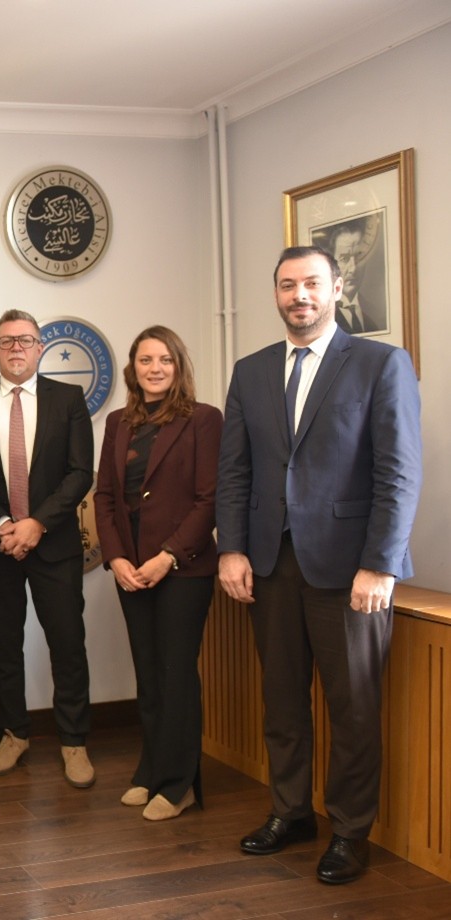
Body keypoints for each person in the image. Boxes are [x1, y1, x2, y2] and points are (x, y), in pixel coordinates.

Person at [218, 246, 421, 884]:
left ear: (336, 288)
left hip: (351, 570)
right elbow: (235, 470)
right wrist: (232, 548)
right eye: (287, 285)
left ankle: (351, 833)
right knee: (281, 702)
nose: (298, 295)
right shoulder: (251, 371)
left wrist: (380, 564)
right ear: (276, 294)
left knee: (353, 709)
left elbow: (398, 472)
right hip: (270, 565)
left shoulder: (381, 363)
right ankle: (291, 812)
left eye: (311, 283)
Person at [0, 310, 95, 788]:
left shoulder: (68, 399)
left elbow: (80, 473)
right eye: (7, 341)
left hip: (54, 543)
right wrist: (4, 524)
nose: (16, 348)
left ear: (40, 348)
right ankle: (14, 733)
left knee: (67, 644)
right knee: (3, 646)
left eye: (25, 340)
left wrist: (37, 523)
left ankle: (74, 741)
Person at [94, 327, 222, 821]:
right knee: (148, 674)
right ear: (133, 368)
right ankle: (150, 771)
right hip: (131, 569)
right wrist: (117, 559)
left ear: (179, 366)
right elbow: (106, 497)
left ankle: (180, 783)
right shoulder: (119, 422)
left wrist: (167, 556)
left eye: (165, 359)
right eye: (146, 360)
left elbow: (209, 499)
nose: (155, 368)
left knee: (175, 675)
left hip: (182, 570)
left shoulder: (203, 420)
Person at [329, 222, 387, 335]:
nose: (353, 268)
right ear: (331, 265)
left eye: (359, 257)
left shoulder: (376, 313)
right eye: (344, 259)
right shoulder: (320, 317)